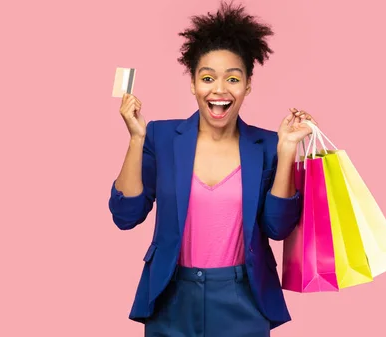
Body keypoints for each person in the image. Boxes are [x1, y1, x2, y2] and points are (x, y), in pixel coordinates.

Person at [108, 2, 317, 336]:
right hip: (171, 296)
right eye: (207, 78)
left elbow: (277, 228)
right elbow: (126, 215)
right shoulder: (160, 137)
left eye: (233, 78)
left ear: (248, 85)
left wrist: (288, 148)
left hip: (243, 297)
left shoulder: (267, 145)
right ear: (192, 83)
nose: (219, 90)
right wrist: (135, 140)